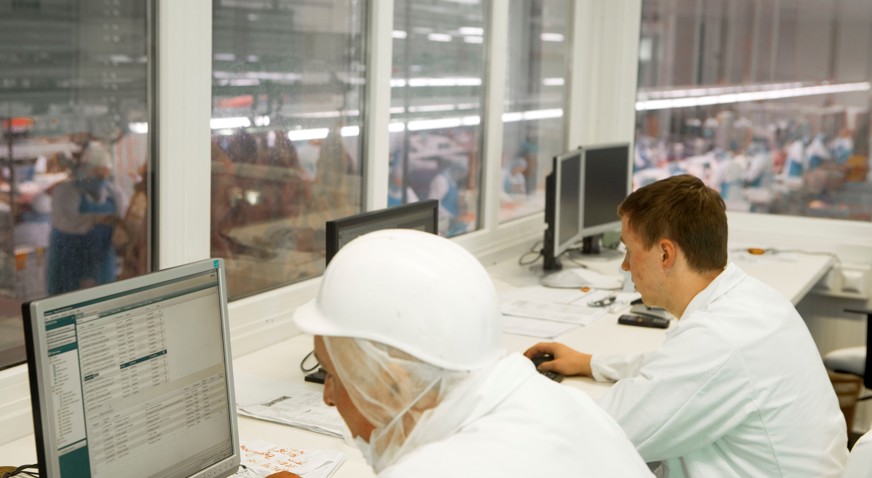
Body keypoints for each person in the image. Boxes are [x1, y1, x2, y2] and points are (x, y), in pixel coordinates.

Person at [525, 174, 848, 477]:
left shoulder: (718, 339)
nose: (624, 266)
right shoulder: (751, 300)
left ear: (666, 254)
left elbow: (604, 431)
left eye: (629, 250)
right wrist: (589, 363)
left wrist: (517, 394)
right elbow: (674, 370)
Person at [293, 229, 653, 477]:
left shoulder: (439, 470)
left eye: (334, 375)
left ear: (393, 382)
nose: (327, 397)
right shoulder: (558, 403)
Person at [47, 141, 128, 294]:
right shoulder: (65, 192)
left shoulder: (114, 193)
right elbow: (63, 222)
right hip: (69, 263)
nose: (101, 178)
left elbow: (124, 222)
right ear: (86, 171)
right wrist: (95, 219)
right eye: (97, 173)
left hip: (101, 263)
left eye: (105, 173)